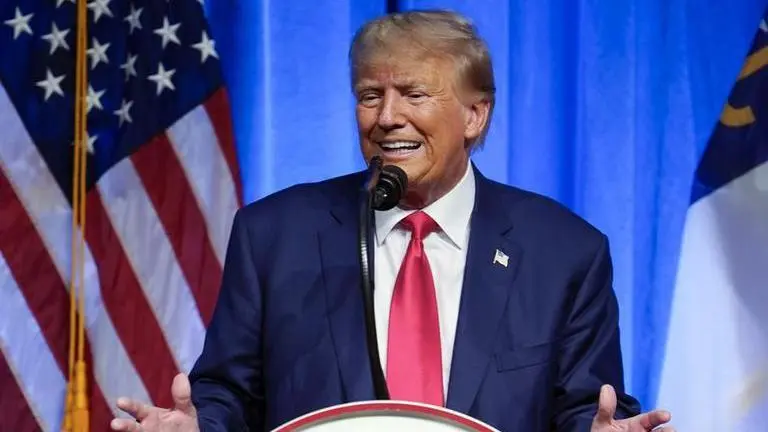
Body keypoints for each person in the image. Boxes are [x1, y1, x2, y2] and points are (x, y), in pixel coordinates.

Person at [110, 9, 675, 432]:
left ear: (475, 114)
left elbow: (583, 407)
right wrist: (199, 427)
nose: (386, 117)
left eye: (413, 94)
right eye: (369, 95)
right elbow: (229, 394)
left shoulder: (563, 251)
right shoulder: (274, 235)